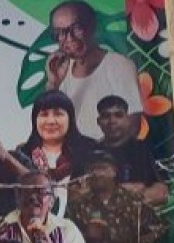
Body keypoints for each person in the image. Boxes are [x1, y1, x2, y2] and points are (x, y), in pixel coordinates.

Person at [64, 150, 163, 243]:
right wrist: (87, 236)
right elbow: (67, 242)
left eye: (102, 168)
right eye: (92, 169)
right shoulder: (76, 207)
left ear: (114, 171)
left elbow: (156, 229)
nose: (97, 173)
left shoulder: (132, 201)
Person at [45, 1, 143, 142]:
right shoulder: (62, 71)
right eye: (60, 33)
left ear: (92, 27)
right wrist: (53, 84)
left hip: (109, 160)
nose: (69, 38)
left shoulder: (118, 64)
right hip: (75, 159)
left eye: (76, 28)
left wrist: (94, 156)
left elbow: (132, 125)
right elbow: (51, 127)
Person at [15, 90, 98, 210]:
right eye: (44, 114)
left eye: (58, 114)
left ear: (70, 118)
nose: (51, 121)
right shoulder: (23, 154)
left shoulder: (90, 150)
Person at [94, 95, 167, 205]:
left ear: (127, 119)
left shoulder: (144, 148)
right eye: (106, 116)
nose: (112, 121)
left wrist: (123, 199)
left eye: (118, 115)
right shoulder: (91, 153)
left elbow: (162, 191)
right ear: (99, 121)